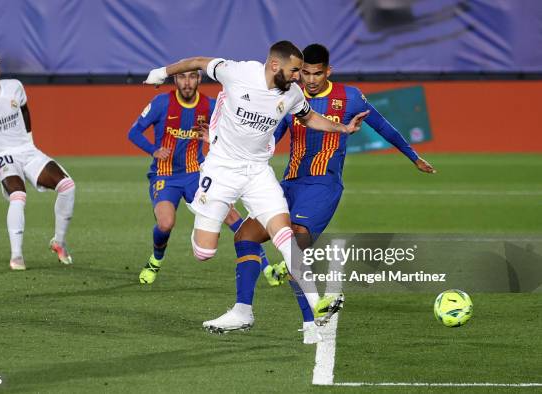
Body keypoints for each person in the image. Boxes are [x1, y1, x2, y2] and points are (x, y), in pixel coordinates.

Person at [206, 43, 436, 341]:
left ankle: (312, 324)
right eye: (305, 73)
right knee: (245, 236)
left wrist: (413, 156)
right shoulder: (290, 97)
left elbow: (383, 127)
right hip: (289, 183)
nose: (310, 79)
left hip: (322, 184)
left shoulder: (349, 97)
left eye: (317, 73)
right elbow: (269, 134)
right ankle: (242, 311)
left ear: (329, 71)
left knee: (296, 244)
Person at [143, 40, 369, 330]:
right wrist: (161, 72)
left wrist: (343, 128)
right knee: (204, 252)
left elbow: (310, 118)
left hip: (257, 172)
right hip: (221, 169)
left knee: (284, 233)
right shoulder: (238, 73)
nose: (298, 76)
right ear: (276, 65)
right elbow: (198, 60)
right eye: (294, 70)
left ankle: (316, 305)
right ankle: (202, 203)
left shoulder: (292, 94)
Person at [128, 71, 276, 284]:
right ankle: (155, 260)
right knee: (165, 224)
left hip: (197, 174)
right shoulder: (161, 103)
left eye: (191, 77)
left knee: (231, 216)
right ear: (175, 80)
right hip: (165, 175)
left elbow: (231, 132)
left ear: (199, 79)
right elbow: (133, 133)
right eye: (181, 77)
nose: (187, 82)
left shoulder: (211, 105)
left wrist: (214, 139)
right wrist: (154, 150)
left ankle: (267, 267)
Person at [0, 52, 75, 271]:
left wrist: (29, 140)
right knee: (18, 195)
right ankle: (17, 256)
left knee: (67, 186)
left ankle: (59, 242)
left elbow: (24, 109)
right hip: (2, 155)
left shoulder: (14, 86)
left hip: (27, 150)